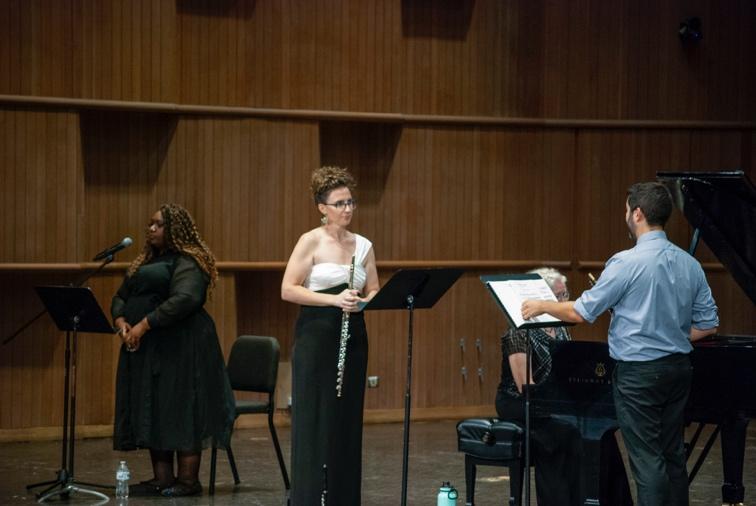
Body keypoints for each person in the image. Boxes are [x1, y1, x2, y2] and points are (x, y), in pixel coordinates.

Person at [522, 182, 720, 506]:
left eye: (627, 210)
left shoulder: (625, 262)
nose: (626, 215)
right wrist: (669, 334)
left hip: (639, 376)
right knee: (672, 456)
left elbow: (580, 313)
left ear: (638, 214)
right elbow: (709, 323)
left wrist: (542, 305)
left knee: (647, 460)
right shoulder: (690, 264)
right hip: (678, 370)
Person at [111, 203, 236, 497]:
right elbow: (121, 296)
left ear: (176, 229)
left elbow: (186, 298)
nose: (151, 228)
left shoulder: (189, 261)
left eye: (158, 224)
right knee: (155, 405)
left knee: (180, 407)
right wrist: (121, 321)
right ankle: (162, 478)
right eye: (150, 224)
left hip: (183, 346)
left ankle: (188, 481)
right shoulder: (145, 261)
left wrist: (144, 324)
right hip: (150, 347)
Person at [281, 166, 379, 505]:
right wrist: (334, 299)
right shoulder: (310, 241)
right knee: (314, 421)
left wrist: (362, 301)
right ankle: (309, 497)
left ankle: (342, 496)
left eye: (350, 202)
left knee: (345, 421)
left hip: (353, 338)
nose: (348, 209)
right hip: (316, 337)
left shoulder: (363, 246)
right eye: (340, 203)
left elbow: (374, 289)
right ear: (322, 207)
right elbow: (288, 289)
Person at [496, 267, 581, 506]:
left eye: (565, 295)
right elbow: (525, 385)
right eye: (559, 296)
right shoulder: (518, 331)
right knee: (558, 433)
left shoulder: (561, 327)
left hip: (552, 401)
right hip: (518, 401)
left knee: (588, 430)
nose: (564, 301)